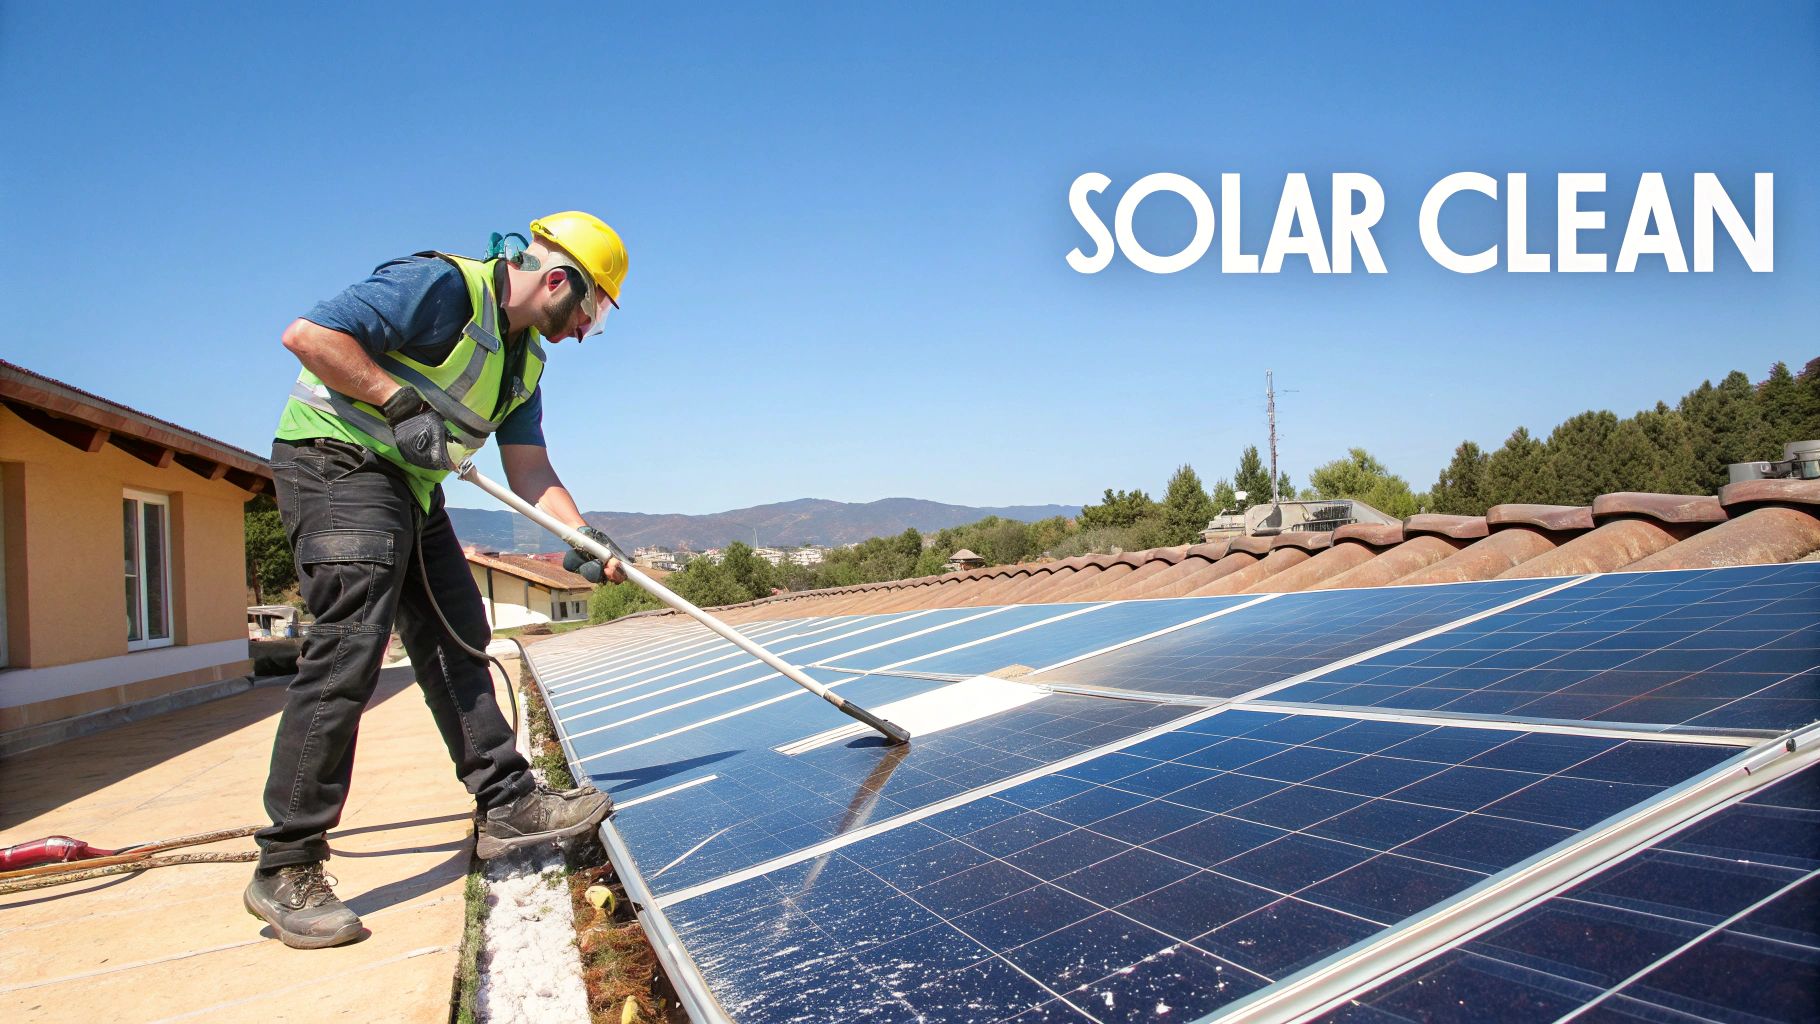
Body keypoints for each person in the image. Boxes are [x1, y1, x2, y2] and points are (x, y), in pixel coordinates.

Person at [245, 213, 629, 949]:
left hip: (411, 486)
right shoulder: (442, 287)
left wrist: (580, 539)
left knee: (459, 634)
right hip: (336, 462)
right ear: (558, 280)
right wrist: (394, 400)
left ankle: (507, 802)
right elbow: (310, 336)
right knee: (350, 645)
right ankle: (286, 863)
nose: (586, 328)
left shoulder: (525, 367)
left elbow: (530, 471)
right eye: (590, 309)